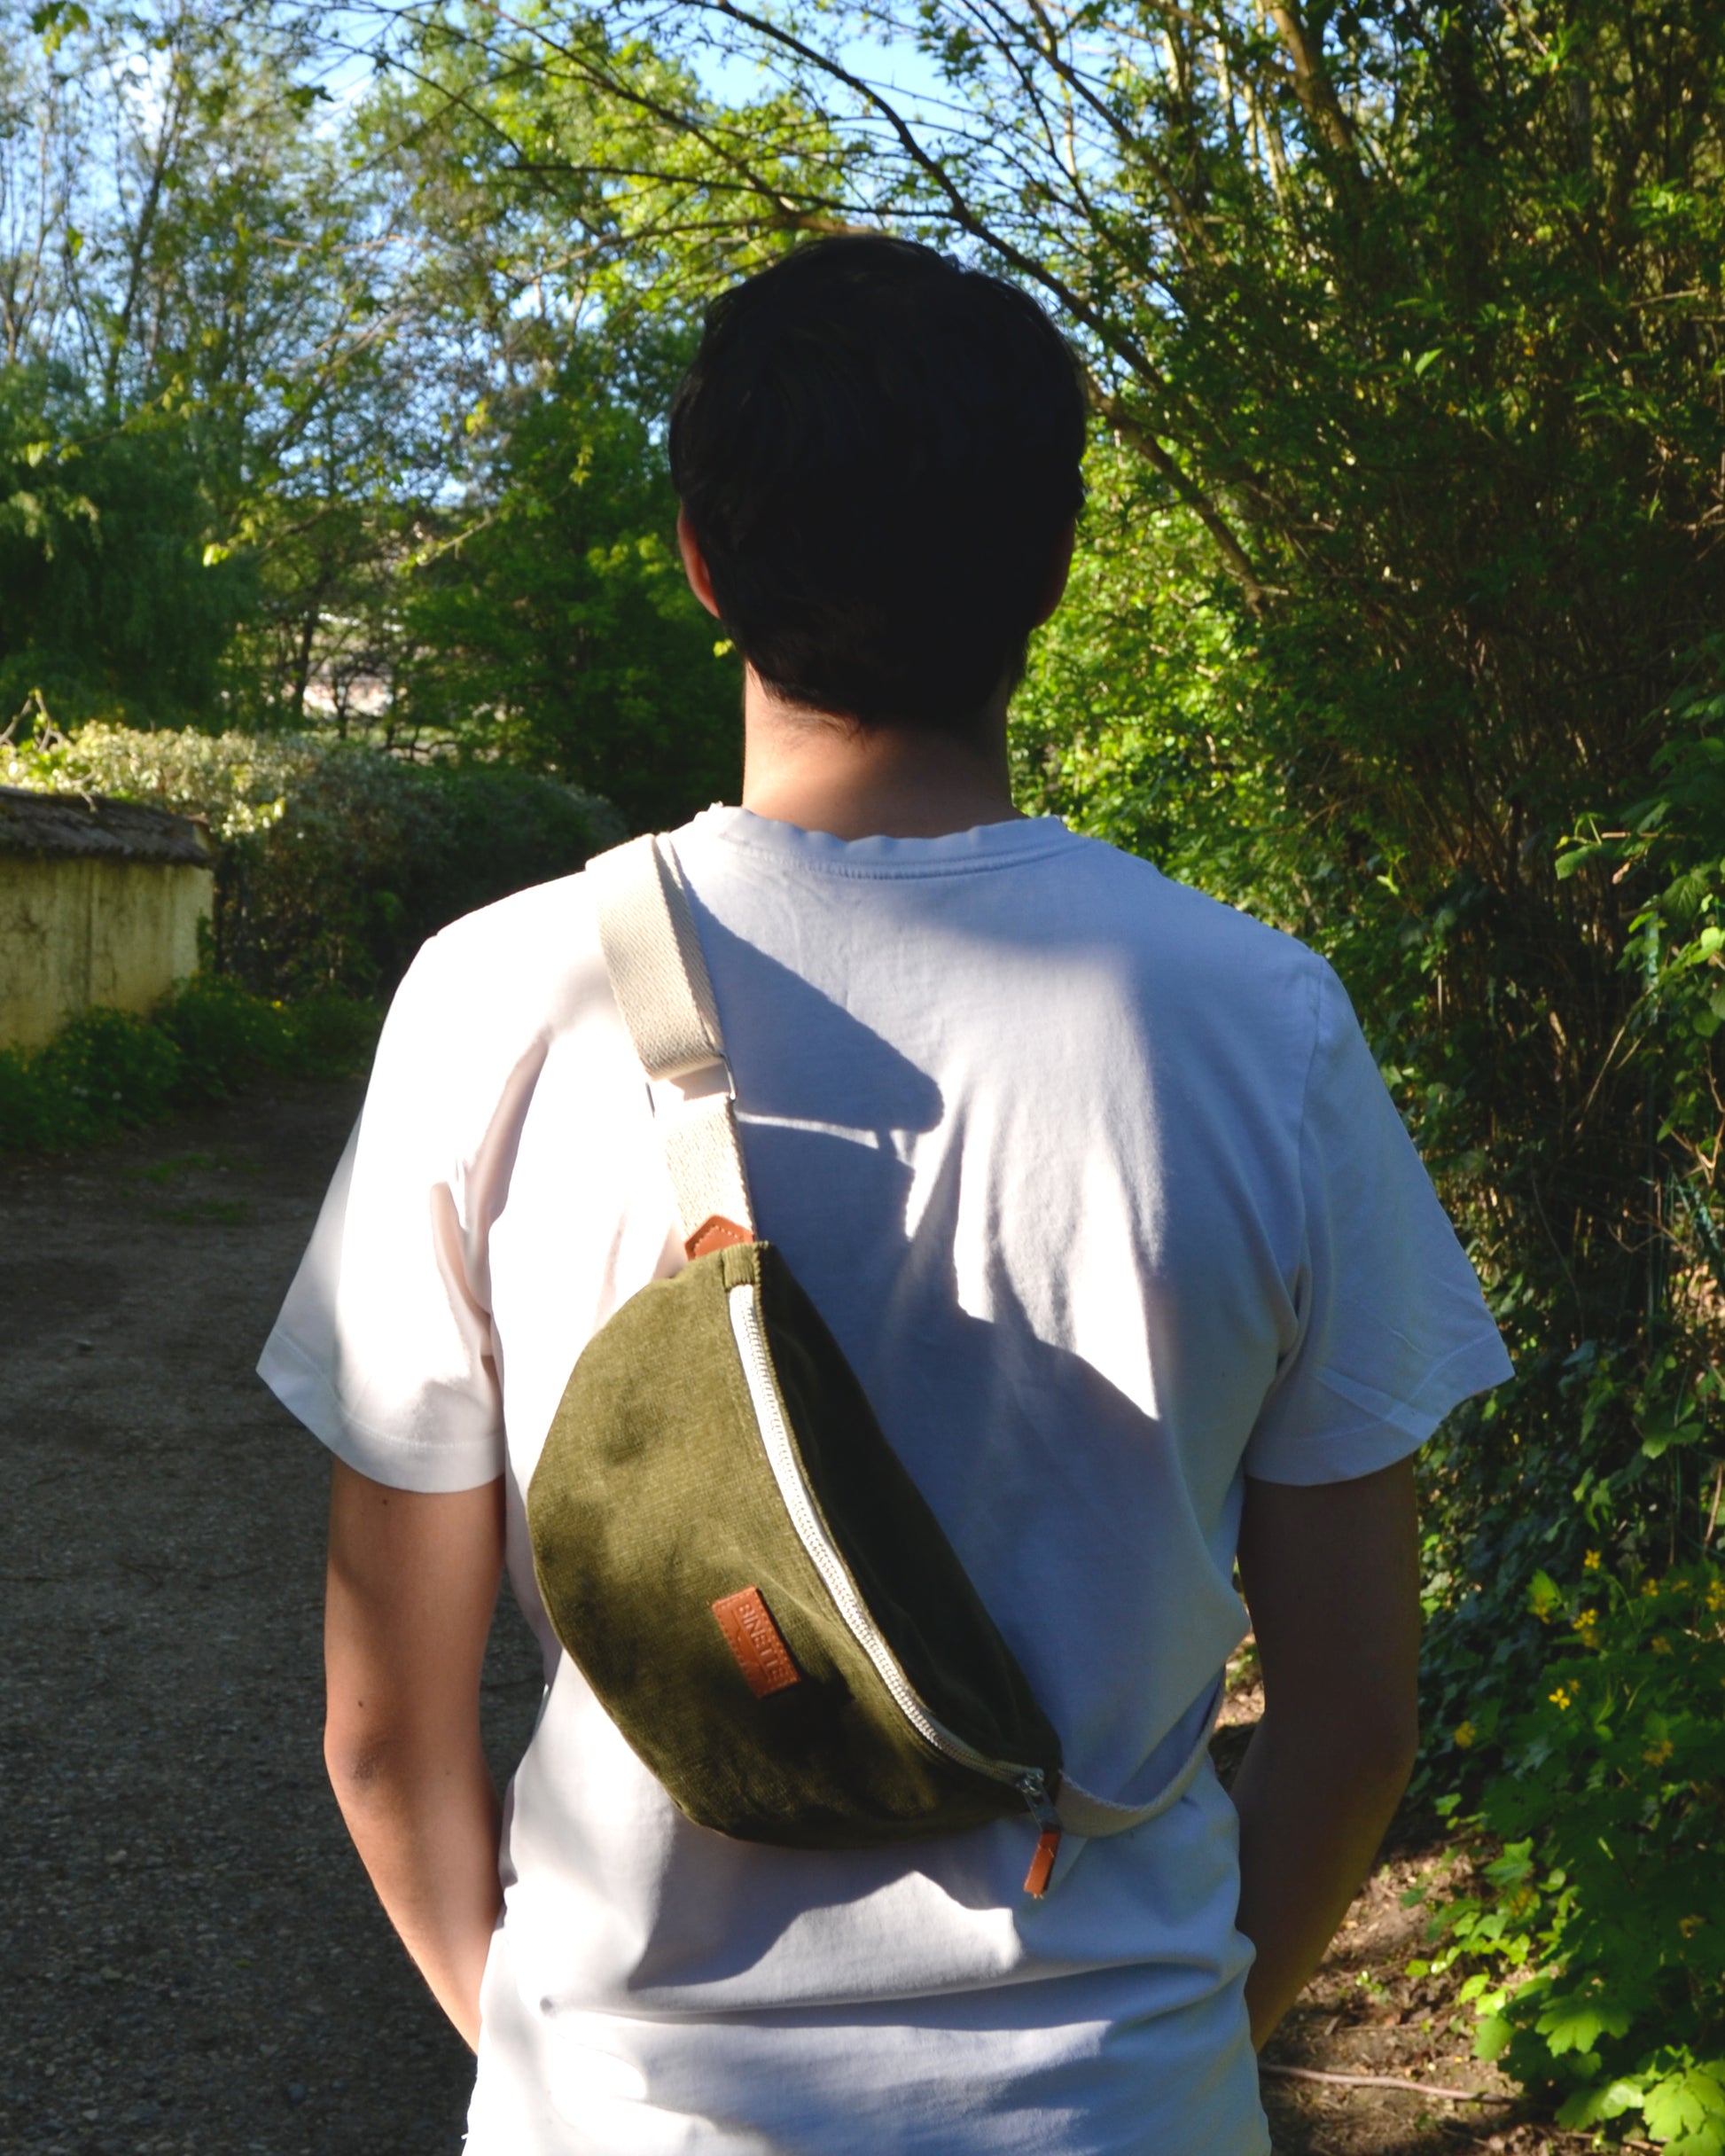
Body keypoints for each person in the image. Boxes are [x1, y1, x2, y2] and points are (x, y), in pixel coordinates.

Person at [259, 235, 1511, 2155]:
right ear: (1052, 569)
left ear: (700, 556)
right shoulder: (1262, 1026)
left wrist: (545, 2064)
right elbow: (1348, 1721)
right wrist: (1165, 2055)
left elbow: (381, 1725)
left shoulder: (500, 999)